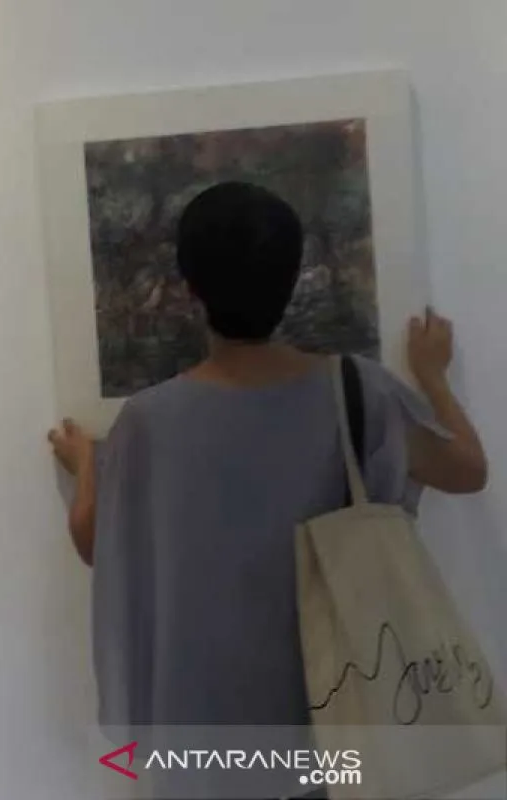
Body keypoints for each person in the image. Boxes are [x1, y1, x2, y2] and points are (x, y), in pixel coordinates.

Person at [48, 182, 488, 796]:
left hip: (209, 744)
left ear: (189, 286)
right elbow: (468, 470)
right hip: (339, 729)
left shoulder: (149, 423)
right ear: (293, 277)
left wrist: (87, 465)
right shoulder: (360, 391)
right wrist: (433, 378)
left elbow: (95, 542)